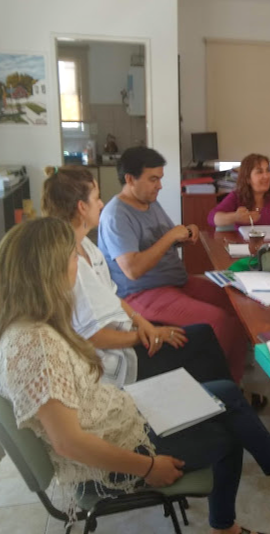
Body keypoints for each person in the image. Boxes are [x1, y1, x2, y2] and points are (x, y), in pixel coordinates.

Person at [0, 218, 270, 534]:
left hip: (119, 413)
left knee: (225, 393)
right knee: (227, 426)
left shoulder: (16, 324)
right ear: (50, 270)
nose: (77, 265)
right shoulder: (36, 346)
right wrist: (148, 467)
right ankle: (254, 506)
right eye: (72, 258)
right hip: (118, 448)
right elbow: (68, 443)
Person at [41, 166, 232, 387]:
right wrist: (144, 336)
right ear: (81, 207)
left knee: (202, 335)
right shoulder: (70, 262)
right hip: (112, 360)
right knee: (204, 342)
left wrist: (145, 325)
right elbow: (91, 336)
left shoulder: (87, 247)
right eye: (97, 198)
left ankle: (215, 401)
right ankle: (217, 400)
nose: (102, 204)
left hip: (127, 332)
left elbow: (112, 296)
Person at [99, 147, 253, 387]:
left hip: (175, 282)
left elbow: (164, 241)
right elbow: (132, 269)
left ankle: (234, 383)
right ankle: (214, 389)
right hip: (141, 293)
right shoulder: (116, 215)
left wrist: (184, 234)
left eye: (160, 178)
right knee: (217, 321)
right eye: (153, 179)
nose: (159, 185)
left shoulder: (150, 202)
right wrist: (171, 237)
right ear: (130, 179)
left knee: (238, 303)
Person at [209, 153, 270, 229]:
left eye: (268, 170)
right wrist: (235, 217)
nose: (266, 176)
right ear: (247, 178)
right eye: (259, 172)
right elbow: (212, 218)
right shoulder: (237, 196)